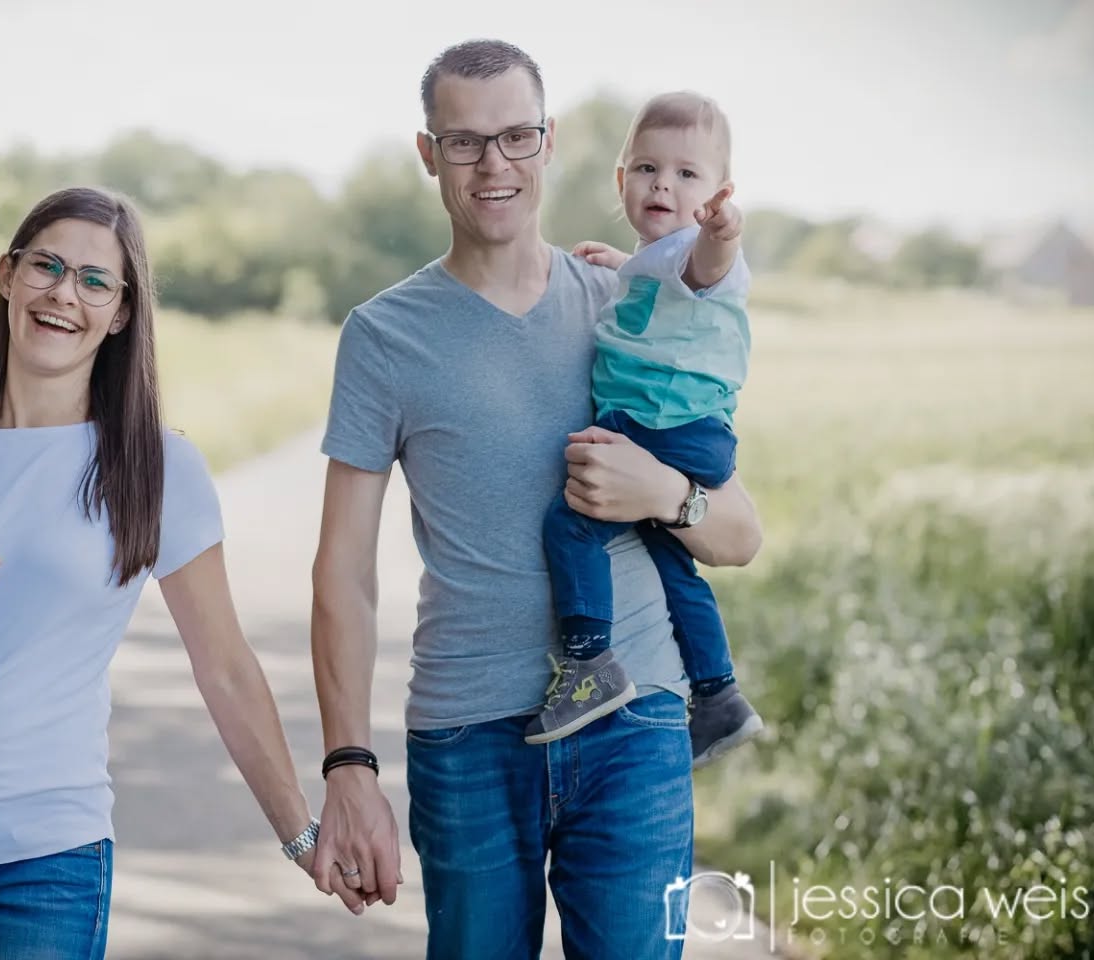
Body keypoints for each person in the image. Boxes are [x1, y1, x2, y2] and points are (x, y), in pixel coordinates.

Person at [0, 187, 355, 957]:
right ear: (8, 275)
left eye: (93, 280)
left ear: (120, 312)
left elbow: (226, 668)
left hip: (44, 858)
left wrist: (301, 833)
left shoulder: (156, 467)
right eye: (46, 266)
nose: (63, 294)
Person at [309, 41, 763, 959]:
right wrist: (348, 764)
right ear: (430, 153)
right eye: (466, 141)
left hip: (636, 719)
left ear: (550, 143)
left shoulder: (624, 302)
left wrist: (664, 493)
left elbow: (740, 534)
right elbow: (344, 574)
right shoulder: (383, 334)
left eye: (517, 136)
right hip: (467, 730)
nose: (495, 165)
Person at [528, 92, 765, 765]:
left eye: (688, 175)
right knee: (670, 562)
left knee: (571, 524)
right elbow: (656, 285)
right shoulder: (654, 264)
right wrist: (619, 266)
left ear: (716, 193)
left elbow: (704, 267)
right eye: (647, 169)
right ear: (621, 179)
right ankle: (719, 698)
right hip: (687, 427)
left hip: (665, 426)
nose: (664, 183)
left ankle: (588, 663)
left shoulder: (699, 250)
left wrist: (722, 233)